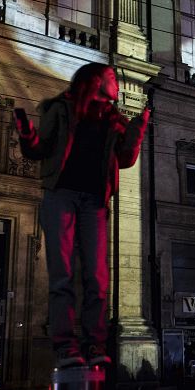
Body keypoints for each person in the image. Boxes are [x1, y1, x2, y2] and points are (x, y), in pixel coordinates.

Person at [16, 63, 150, 368]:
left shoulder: (115, 120)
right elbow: (39, 149)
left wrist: (138, 129)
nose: (117, 83)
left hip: (94, 201)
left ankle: (94, 345)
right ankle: (65, 347)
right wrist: (27, 133)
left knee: (97, 277)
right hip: (60, 194)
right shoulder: (60, 109)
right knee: (62, 274)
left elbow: (126, 160)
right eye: (112, 78)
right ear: (96, 81)